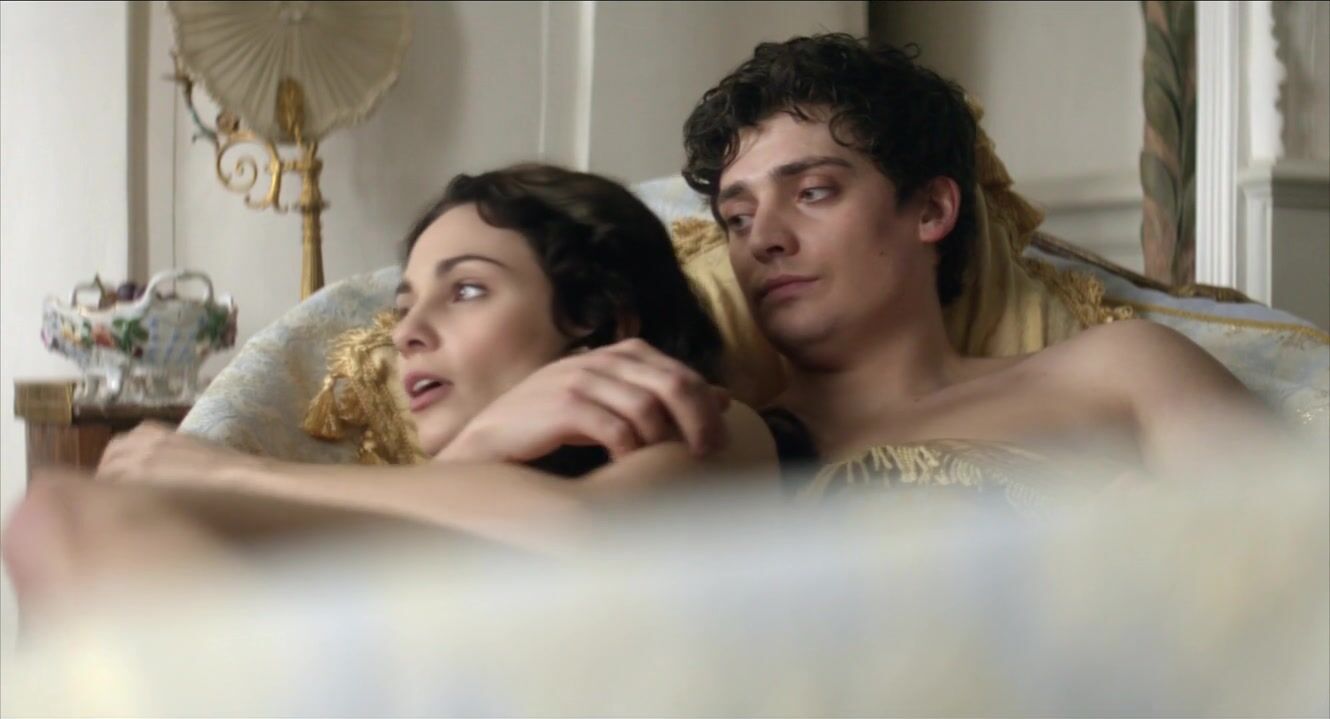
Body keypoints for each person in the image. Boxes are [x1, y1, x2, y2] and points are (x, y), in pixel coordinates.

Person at [3, 164, 776, 626]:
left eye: (467, 289)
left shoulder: (712, 420)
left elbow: (584, 537)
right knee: (64, 514)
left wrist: (221, 469)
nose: (408, 332)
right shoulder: (422, 489)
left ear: (602, 319)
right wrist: (478, 448)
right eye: (404, 306)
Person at [677, 33, 1288, 487]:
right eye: (738, 218)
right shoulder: (721, 443)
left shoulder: (1120, 371)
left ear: (931, 209)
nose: (763, 239)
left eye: (813, 192)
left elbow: (1298, 560)